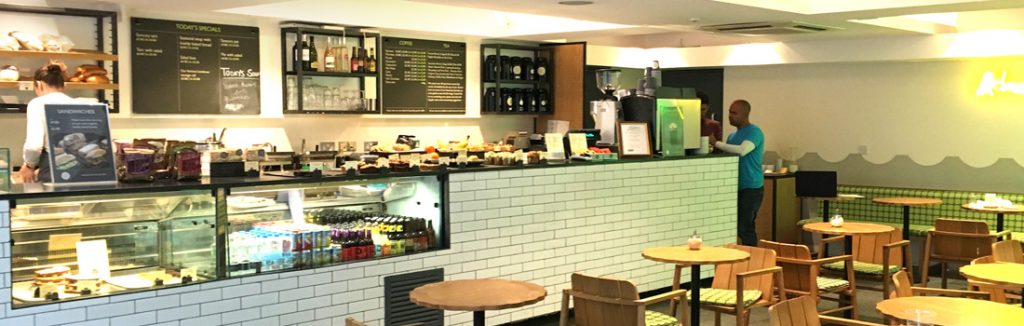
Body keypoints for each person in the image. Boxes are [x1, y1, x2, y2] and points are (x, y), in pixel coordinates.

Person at [711, 99, 764, 246]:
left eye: (734, 113)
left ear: (744, 114)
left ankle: (752, 261)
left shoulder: (754, 132)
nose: (729, 115)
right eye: (729, 111)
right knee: (738, 227)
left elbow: (743, 150)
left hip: (751, 187)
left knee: (745, 227)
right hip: (735, 187)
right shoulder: (732, 136)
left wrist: (716, 143)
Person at [18, 64, 76, 183]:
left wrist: (29, 166)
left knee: (50, 201)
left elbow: (34, 146)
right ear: (64, 85)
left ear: (39, 85)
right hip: (80, 166)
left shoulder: (37, 104)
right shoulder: (76, 104)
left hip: (52, 167)